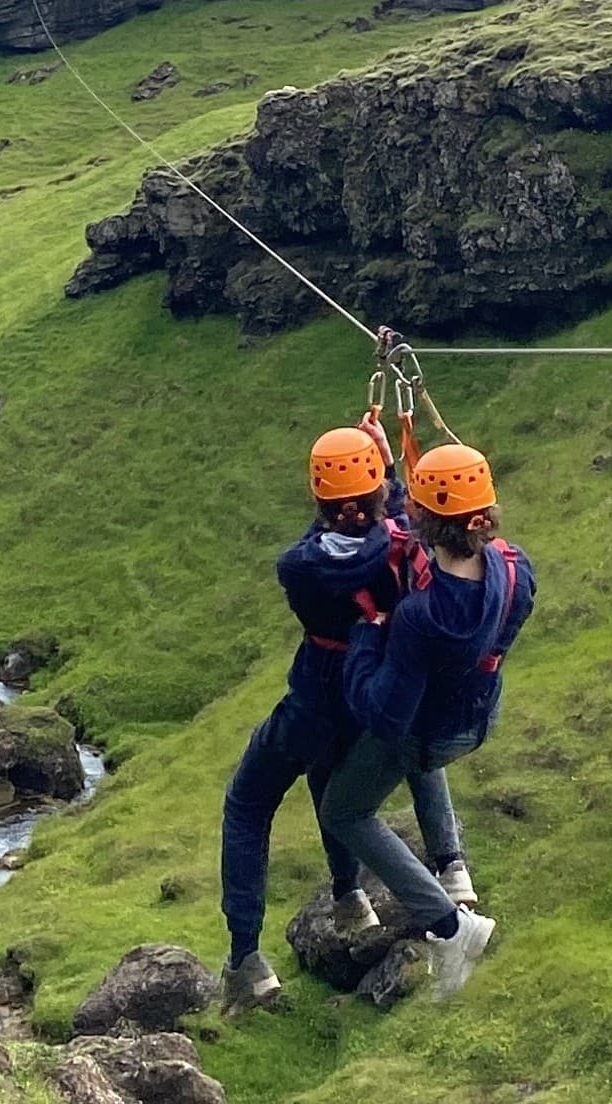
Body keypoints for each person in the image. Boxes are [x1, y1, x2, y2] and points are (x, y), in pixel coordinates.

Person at [218, 420, 475, 1010]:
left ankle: (247, 959)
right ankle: (364, 890)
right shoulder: (405, 540)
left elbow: (328, 539)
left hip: (316, 698)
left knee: (248, 801)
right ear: (380, 495)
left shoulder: (297, 567)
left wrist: (364, 483)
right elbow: (399, 516)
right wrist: (384, 470)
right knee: (332, 779)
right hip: (373, 696)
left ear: (318, 498)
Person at [320, 440, 535, 1002]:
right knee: (423, 730)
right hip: (479, 714)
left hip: (430, 731)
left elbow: (385, 715)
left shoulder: (420, 616)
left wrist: (369, 633)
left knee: (344, 809)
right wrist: (386, 468)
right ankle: (452, 864)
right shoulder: (514, 567)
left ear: (422, 520)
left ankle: (450, 925)